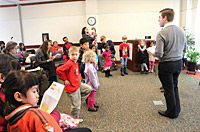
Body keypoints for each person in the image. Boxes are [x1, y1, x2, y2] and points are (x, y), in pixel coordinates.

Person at [155, 8, 187, 119]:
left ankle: (171, 112)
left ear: (165, 18)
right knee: (174, 87)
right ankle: (176, 109)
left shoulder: (161, 33)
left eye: (159, 17)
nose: (158, 20)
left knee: (168, 89)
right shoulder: (182, 31)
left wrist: (152, 52)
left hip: (167, 64)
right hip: (178, 63)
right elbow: (184, 49)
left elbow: (159, 54)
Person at [56, 46, 92, 119]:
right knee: (76, 106)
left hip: (77, 84)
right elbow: (59, 70)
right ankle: (74, 119)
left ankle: (77, 102)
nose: (74, 56)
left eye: (76, 54)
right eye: (72, 55)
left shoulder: (75, 62)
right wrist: (65, 79)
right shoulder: (69, 63)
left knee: (88, 89)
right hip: (71, 88)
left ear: (79, 54)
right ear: (69, 55)